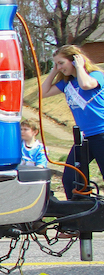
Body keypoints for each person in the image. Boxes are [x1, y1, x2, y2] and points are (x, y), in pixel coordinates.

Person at [40, 45, 104, 198]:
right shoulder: (67, 84)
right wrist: (53, 71)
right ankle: (81, 214)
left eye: (61, 63)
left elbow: (86, 85)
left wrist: (80, 66)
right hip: (85, 138)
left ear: (74, 59)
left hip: (101, 134)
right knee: (70, 178)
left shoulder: (96, 75)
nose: (59, 67)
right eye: (56, 64)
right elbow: (43, 92)